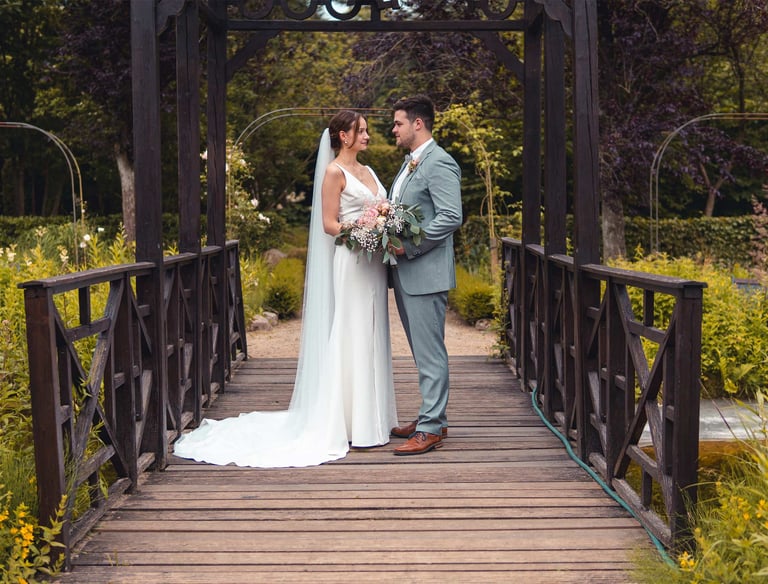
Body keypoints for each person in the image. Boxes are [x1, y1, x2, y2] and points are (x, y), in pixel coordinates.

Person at [173, 111, 398, 467]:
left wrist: (384, 218)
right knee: (352, 332)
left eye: (367, 130)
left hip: (372, 265)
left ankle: (373, 420)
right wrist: (365, 224)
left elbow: (381, 207)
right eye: (362, 131)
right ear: (344, 136)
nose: (368, 136)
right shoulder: (334, 172)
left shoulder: (369, 171)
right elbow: (329, 224)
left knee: (373, 332)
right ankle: (347, 423)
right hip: (351, 262)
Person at [388, 95, 463, 456]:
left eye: (398, 123)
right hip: (408, 274)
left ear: (418, 123)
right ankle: (433, 417)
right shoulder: (411, 163)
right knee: (423, 351)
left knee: (430, 353)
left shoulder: (439, 161)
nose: (394, 129)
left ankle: (430, 428)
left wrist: (409, 247)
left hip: (425, 271)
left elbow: (451, 216)